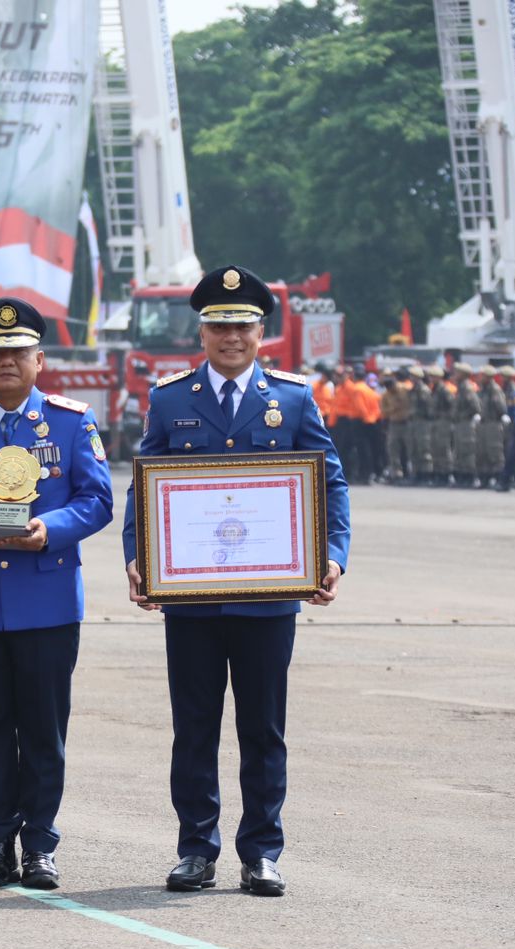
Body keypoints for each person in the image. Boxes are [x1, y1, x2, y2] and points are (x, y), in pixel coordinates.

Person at [123, 265, 350, 898]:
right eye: (220, 326)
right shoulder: (170, 399)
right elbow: (144, 488)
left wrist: (331, 554)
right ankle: (196, 849)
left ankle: (262, 851)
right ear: (202, 333)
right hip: (189, 599)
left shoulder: (295, 398)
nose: (231, 337)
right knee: (193, 727)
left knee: (262, 728)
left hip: (267, 598)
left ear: (262, 333)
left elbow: (329, 481)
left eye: (243, 326)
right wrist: (137, 556)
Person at [0, 297, 113, 891]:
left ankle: (39, 846)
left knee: (42, 730)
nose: (6, 362)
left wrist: (49, 530)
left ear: (39, 359)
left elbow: (98, 498)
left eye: (17, 352)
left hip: (47, 599)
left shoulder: (69, 421)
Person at [477, 365, 510, 488]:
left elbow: (501, 408)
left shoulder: (495, 390)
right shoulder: (482, 390)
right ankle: (484, 478)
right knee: (482, 451)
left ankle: (498, 478)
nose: (481, 378)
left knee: (495, 451)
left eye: (483, 376)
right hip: (484, 423)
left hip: (493, 423)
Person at [450, 364, 482, 489]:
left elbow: (475, 407)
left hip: (466, 424)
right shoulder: (461, 388)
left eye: (457, 372)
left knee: (467, 451)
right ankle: (461, 477)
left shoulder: (467, 388)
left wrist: (462, 415)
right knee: (459, 451)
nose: (455, 374)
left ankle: (469, 477)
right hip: (460, 424)